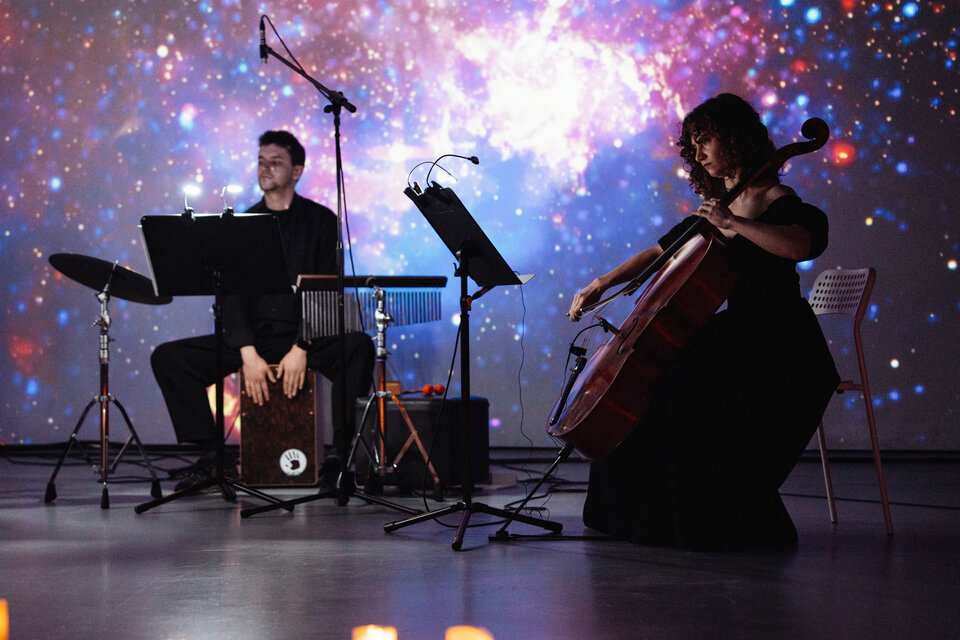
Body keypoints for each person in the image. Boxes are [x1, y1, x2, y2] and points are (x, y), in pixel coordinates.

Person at [569, 94, 840, 550]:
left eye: (705, 140)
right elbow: (660, 253)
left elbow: (799, 244)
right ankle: (637, 516)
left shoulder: (777, 200)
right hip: (738, 332)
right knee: (653, 380)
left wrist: (734, 223)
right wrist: (602, 283)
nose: (697, 153)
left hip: (780, 340)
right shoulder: (721, 204)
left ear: (734, 137)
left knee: (683, 386)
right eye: (692, 145)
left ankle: (695, 520)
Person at [152, 130, 374, 491]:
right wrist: (247, 352)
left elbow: (326, 289)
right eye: (260, 161)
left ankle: (339, 457)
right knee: (169, 358)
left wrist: (302, 346)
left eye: (275, 162)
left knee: (359, 346)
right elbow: (231, 296)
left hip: (305, 337)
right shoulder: (242, 223)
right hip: (255, 339)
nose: (265, 168)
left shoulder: (321, 222)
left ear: (297, 171)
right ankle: (213, 456)